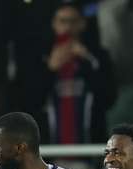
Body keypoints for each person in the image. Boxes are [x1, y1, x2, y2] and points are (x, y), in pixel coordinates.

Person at [41, 1, 115, 145]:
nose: (68, 27)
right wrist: (50, 70)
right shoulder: (42, 58)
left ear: (82, 24)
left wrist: (87, 61)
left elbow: (108, 98)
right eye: (62, 21)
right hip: (50, 153)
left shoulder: (98, 56)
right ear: (54, 24)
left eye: (73, 21)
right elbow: (32, 101)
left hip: (88, 151)